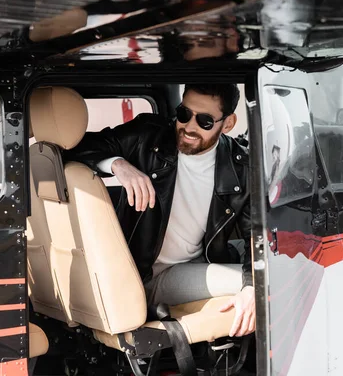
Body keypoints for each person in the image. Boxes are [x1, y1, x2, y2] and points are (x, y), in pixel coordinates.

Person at [63, 83, 255, 338]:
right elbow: (75, 147)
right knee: (269, 282)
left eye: (205, 121)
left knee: (268, 273)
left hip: (201, 261)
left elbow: (258, 232)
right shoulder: (148, 137)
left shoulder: (241, 167)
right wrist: (118, 164)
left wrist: (251, 288)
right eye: (184, 114)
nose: (188, 127)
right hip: (152, 275)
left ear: (228, 123)